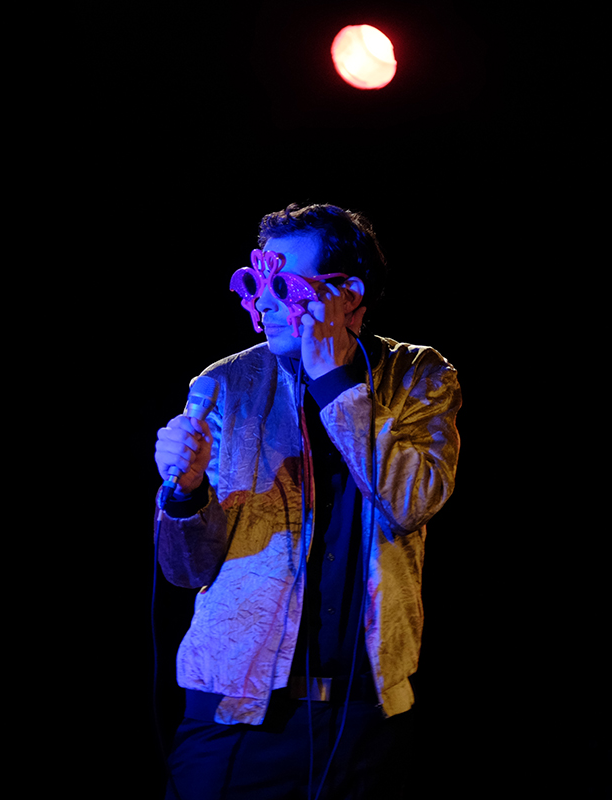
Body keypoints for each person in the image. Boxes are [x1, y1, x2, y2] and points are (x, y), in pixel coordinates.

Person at [153, 203, 461, 799]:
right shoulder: (224, 383)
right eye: (258, 284)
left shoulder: (418, 375)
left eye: (285, 286)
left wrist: (335, 384)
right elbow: (184, 570)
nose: (265, 303)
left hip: (364, 719)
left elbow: (413, 501)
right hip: (234, 713)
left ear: (347, 295)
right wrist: (186, 495)